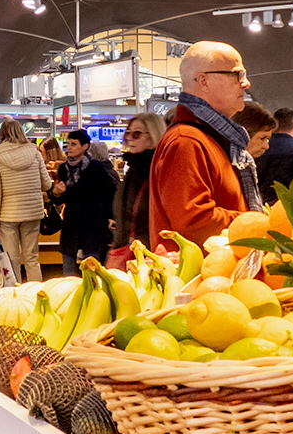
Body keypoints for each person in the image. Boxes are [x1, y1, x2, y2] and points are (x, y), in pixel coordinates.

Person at [150, 42, 263, 248]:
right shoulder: (186, 141)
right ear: (204, 81)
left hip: (216, 272)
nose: (245, 83)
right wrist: (255, 222)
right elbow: (193, 222)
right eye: (237, 74)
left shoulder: (209, 139)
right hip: (199, 275)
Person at [0, 119, 52, 282]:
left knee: (11, 259)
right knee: (32, 258)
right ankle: (35, 293)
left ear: (2, 133)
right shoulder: (35, 152)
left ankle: (15, 298)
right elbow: (47, 184)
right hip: (32, 212)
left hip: (8, 215)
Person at [49, 129, 119, 273]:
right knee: (68, 268)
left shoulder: (96, 168)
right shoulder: (63, 169)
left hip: (93, 223)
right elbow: (60, 201)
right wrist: (55, 194)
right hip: (71, 223)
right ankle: (71, 292)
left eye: (74, 144)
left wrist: (111, 217)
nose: (69, 148)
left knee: (92, 267)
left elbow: (110, 193)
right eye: (68, 144)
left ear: (85, 146)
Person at [108, 112, 167, 267]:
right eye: (127, 133)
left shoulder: (157, 171)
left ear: (152, 137)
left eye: (136, 134)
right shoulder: (133, 170)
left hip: (146, 257)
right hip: (126, 251)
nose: (129, 139)